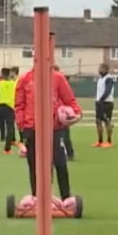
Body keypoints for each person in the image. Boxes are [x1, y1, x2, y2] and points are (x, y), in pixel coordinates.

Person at [15, 58, 81, 199]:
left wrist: (76, 114)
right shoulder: (25, 79)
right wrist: (22, 126)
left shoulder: (57, 78)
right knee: (35, 166)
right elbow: (19, 104)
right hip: (32, 128)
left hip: (54, 128)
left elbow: (70, 100)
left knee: (60, 163)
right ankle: (37, 197)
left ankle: (66, 197)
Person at [55, 65, 76, 160]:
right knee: (61, 136)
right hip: (56, 114)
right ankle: (67, 153)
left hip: (62, 114)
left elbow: (68, 98)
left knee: (65, 135)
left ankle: (69, 153)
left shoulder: (61, 83)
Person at [93, 63, 116, 148]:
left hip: (106, 103)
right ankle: (100, 140)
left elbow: (108, 90)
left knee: (107, 121)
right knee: (98, 121)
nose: (99, 70)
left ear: (106, 69)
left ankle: (109, 141)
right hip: (99, 102)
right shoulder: (100, 79)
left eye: (101, 68)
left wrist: (102, 99)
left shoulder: (108, 79)